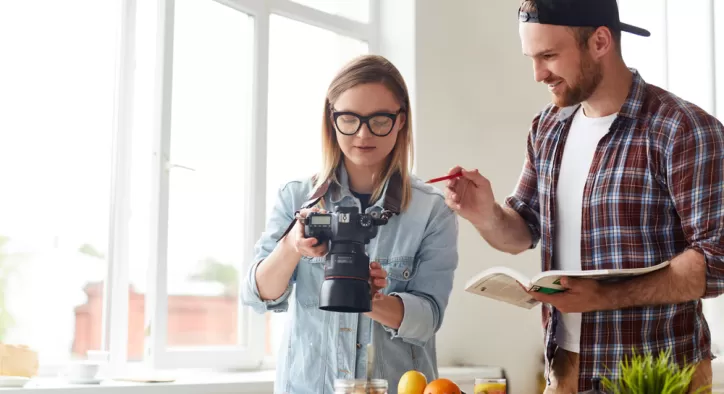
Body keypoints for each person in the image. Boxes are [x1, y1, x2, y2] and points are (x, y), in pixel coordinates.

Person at [444, 0, 724, 393]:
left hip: (657, 373)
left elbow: (717, 260)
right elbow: (523, 230)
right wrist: (485, 214)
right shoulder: (547, 128)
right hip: (565, 372)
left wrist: (603, 296)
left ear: (600, 41)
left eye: (549, 56)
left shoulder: (683, 130)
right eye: (532, 57)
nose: (538, 74)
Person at [241, 54, 459, 394]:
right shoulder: (298, 198)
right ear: (332, 119)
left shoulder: (431, 210)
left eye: (380, 120)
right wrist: (292, 245)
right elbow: (257, 296)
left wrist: (369, 298)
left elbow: (428, 319)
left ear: (401, 120)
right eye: (349, 119)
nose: (363, 133)